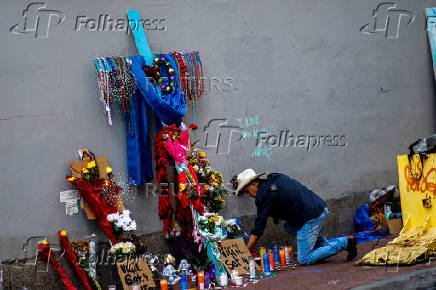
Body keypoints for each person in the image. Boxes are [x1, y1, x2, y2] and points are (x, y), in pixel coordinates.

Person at [235, 169, 357, 265]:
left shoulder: (263, 195)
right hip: (317, 206)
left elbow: (258, 227)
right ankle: (324, 245)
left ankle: (343, 243)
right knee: (290, 227)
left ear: (254, 183)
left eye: (246, 191)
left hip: (310, 216)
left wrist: (245, 252)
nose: (247, 195)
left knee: (304, 259)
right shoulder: (274, 177)